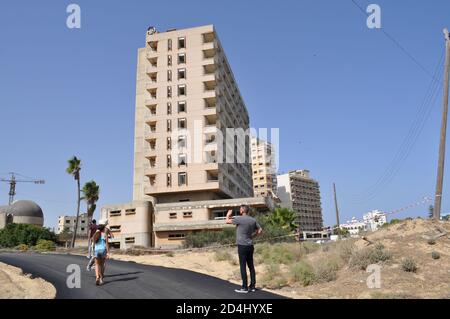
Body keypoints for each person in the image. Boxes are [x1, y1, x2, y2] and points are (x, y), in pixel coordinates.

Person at [226, 205, 263, 293]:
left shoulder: (239, 218)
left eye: (240, 209)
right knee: (251, 266)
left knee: (243, 266)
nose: (239, 210)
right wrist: (252, 237)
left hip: (242, 246)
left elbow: (227, 221)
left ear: (242, 210)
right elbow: (260, 230)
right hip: (250, 245)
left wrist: (228, 214)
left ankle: (244, 287)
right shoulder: (253, 220)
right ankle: (252, 286)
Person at [92, 219, 110, 286]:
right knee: (102, 264)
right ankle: (101, 279)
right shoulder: (105, 232)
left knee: (96, 264)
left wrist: (93, 250)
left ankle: (97, 277)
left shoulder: (96, 232)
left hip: (97, 250)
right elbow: (107, 243)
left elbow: (93, 241)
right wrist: (108, 252)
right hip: (103, 250)